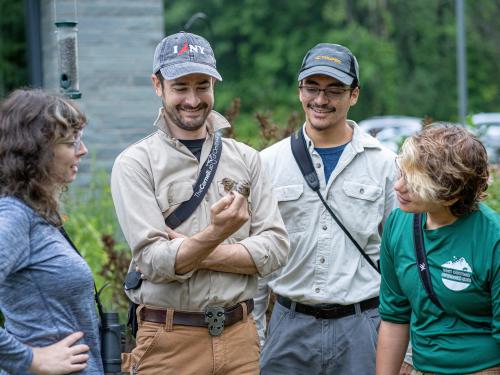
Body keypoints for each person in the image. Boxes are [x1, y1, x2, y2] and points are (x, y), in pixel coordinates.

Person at [110, 31, 289, 375]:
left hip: (240, 340)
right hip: (168, 343)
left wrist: (194, 250)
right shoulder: (134, 164)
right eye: (180, 87)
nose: (193, 99)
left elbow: (276, 249)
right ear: (157, 85)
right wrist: (220, 234)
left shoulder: (247, 159)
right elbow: (153, 261)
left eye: (202, 85)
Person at [256, 43, 397, 374]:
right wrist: (255, 336)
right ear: (299, 91)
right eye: (313, 88)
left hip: (363, 328)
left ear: (354, 95)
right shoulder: (267, 164)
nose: (321, 100)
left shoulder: (386, 165)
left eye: (335, 90)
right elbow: (257, 260)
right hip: (288, 327)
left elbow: (402, 257)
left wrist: (404, 350)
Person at [376, 124, 500, 375]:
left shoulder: (492, 238)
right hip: (419, 366)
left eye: (414, 183)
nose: (398, 187)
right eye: (402, 173)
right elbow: (394, 316)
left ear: (450, 194)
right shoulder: (398, 224)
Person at [0, 89, 103, 374]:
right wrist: (31, 359)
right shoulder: (15, 215)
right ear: (38, 150)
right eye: (72, 142)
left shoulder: (37, 213)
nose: (83, 151)